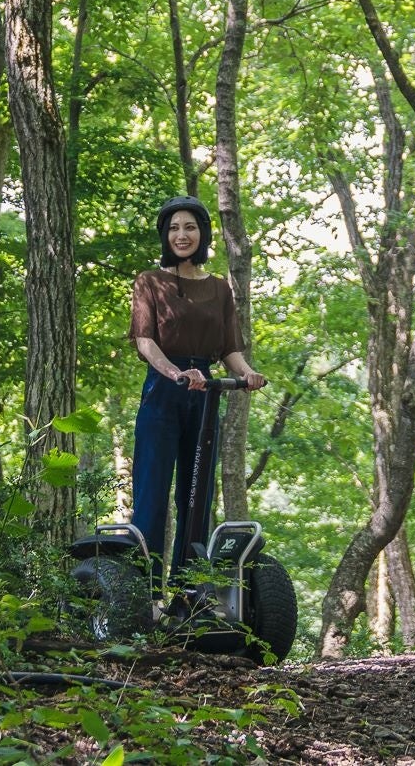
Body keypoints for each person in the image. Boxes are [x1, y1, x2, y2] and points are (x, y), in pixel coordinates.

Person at [128, 196, 266, 580]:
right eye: (173, 228)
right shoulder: (149, 281)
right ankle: (144, 590)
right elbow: (145, 341)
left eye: (189, 227)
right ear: (164, 235)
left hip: (205, 395)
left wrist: (249, 373)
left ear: (202, 234)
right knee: (152, 495)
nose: (181, 235)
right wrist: (175, 373)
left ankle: (188, 588)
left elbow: (229, 349)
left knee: (197, 495)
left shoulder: (220, 288)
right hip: (163, 390)